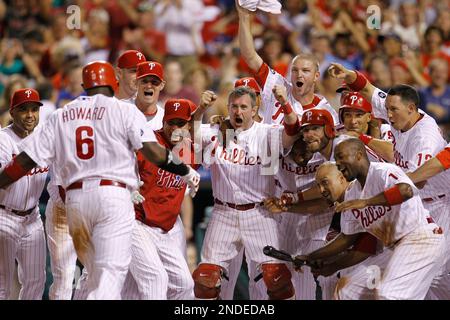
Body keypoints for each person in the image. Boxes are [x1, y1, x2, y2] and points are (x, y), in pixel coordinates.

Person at [0, 61, 200, 300]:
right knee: (110, 274)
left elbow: (23, 162)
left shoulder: (60, 115)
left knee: (93, 274)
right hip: (112, 198)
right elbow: (155, 153)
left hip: (75, 202)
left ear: (84, 86)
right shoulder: (125, 111)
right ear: (114, 83)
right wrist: (185, 171)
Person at [328, 64, 450, 298]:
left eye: (393, 111)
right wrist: (349, 76)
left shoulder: (425, 137)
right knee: (403, 277)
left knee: (430, 276)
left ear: (412, 108)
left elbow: (414, 184)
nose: (387, 115)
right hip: (414, 204)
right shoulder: (400, 113)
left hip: (436, 205)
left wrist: (373, 195)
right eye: (388, 110)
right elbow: (369, 90)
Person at [191, 85, 301, 300]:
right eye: (234, 107)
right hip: (223, 212)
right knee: (206, 280)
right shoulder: (217, 132)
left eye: (243, 107)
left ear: (254, 110)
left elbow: (293, 130)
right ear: (228, 108)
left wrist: (284, 101)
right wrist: (201, 109)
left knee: (277, 280)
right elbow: (187, 135)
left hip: (259, 214)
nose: (238, 112)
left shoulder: (267, 133)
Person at [303, 140, 446, 299]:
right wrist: (312, 257)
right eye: (336, 160)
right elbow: (345, 239)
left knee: (389, 294)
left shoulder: (383, 171)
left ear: (358, 155)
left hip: (421, 239)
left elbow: (405, 190)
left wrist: (367, 202)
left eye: (342, 157)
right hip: (394, 248)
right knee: (348, 290)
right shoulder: (352, 195)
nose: (339, 164)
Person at [125, 98, 198, 300]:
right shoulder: (150, 144)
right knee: (154, 280)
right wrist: (128, 188)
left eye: (180, 124)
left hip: (164, 229)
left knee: (184, 285)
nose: (175, 128)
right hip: (136, 224)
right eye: (171, 122)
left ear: (188, 126)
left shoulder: (191, 150)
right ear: (163, 121)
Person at [236, 1, 338, 125]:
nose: (299, 74)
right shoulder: (277, 85)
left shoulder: (325, 110)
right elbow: (250, 56)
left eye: (305, 71)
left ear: (316, 76)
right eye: (295, 70)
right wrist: (244, 16)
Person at [0, 88, 48, 299]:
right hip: (4, 216)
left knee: (36, 280)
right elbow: (2, 179)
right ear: (12, 112)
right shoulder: (3, 139)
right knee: (3, 283)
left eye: (34, 109)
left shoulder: (45, 137)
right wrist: (30, 156)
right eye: (23, 110)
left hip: (33, 217)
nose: (30, 115)